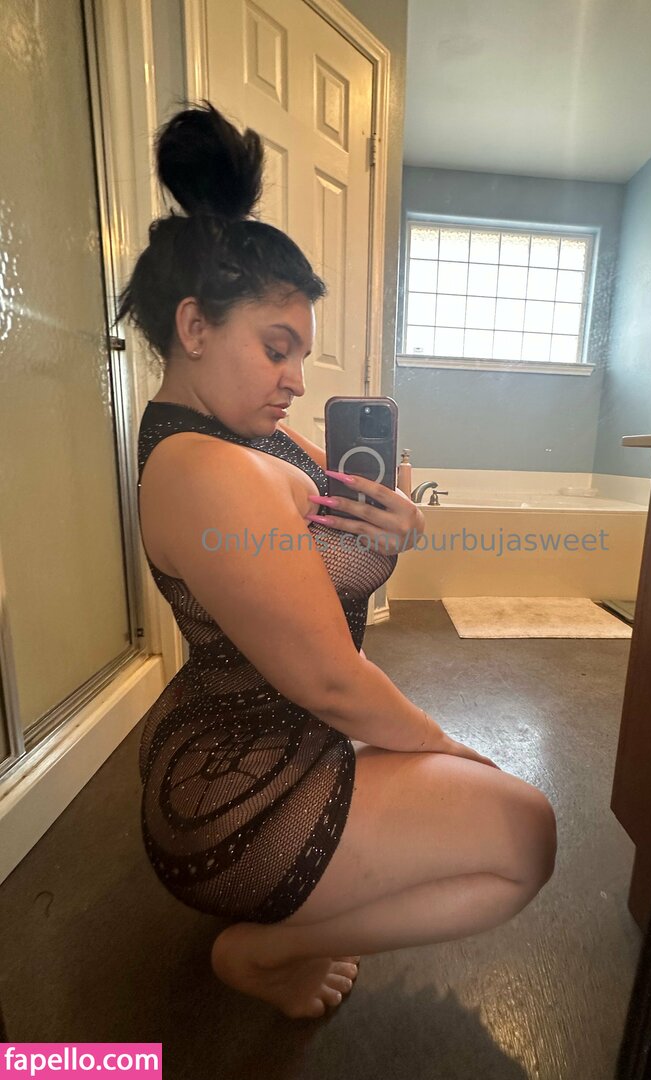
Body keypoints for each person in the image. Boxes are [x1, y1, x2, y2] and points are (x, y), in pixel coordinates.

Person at [119, 101, 557, 1021]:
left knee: (508, 822)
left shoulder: (247, 435)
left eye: (300, 355)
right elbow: (330, 679)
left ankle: (300, 910)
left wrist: (399, 528)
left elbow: (344, 521)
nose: (296, 379)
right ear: (194, 328)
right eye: (276, 349)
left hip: (280, 735)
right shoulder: (204, 469)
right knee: (524, 835)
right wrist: (451, 747)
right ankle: (265, 952)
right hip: (242, 792)